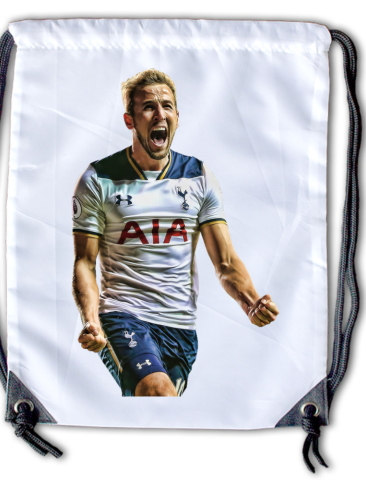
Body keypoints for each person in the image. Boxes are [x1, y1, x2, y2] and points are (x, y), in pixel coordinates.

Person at [72, 69, 279, 397]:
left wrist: (251, 301)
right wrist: (91, 320)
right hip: (123, 319)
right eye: (149, 107)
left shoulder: (198, 176)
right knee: (157, 392)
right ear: (129, 121)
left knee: (159, 413)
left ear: (177, 118)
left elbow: (225, 262)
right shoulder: (100, 177)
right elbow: (84, 262)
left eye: (167, 106)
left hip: (181, 330)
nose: (160, 114)